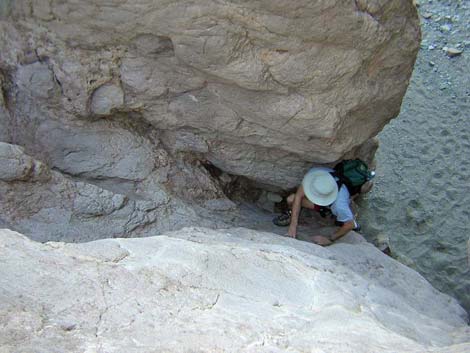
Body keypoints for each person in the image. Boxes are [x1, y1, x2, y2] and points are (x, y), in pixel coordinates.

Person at [274, 167, 361, 246]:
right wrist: (293, 226)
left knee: (344, 219)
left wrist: (330, 239)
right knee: (291, 199)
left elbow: (350, 224)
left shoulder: (339, 205)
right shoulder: (315, 176)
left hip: (334, 200)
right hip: (328, 193)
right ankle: (291, 214)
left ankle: (331, 211)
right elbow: (298, 196)